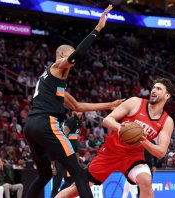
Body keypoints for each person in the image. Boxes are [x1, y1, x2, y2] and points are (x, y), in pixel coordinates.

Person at [24, 5, 119, 198]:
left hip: (31, 126)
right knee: (79, 173)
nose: (72, 64)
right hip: (46, 123)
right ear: (61, 55)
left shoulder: (52, 84)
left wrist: (109, 105)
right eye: (69, 56)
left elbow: (77, 106)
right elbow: (77, 55)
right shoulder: (57, 66)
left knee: (43, 175)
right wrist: (98, 28)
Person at [57, 78, 175, 198]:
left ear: (167, 96)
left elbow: (161, 152)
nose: (154, 90)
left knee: (146, 181)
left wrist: (143, 141)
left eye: (158, 89)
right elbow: (107, 120)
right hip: (110, 152)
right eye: (153, 87)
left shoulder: (167, 121)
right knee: (76, 189)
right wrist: (120, 127)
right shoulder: (135, 102)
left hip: (133, 156)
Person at [51, 112, 81, 197]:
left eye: (81, 112)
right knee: (57, 185)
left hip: (69, 158)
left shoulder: (76, 123)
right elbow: (63, 135)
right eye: (78, 111)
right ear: (72, 112)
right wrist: (53, 165)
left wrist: (77, 161)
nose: (80, 113)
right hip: (62, 157)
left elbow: (75, 146)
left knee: (68, 184)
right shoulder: (71, 120)